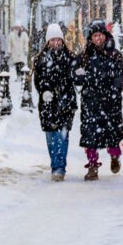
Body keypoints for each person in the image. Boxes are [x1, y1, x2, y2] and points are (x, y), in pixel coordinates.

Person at [74, 21, 123, 181]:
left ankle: (115, 157)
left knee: (112, 133)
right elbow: (75, 72)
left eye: (100, 35)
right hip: (91, 100)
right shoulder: (85, 55)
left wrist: (116, 90)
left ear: (105, 35)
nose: (97, 38)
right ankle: (92, 165)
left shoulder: (114, 54)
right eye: (95, 36)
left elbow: (120, 74)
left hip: (110, 100)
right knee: (90, 135)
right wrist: (80, 77)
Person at [33, 24, 78, 181]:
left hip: (66, 102)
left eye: (58, 39)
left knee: (62, 136)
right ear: (48, 41)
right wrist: (44, 90)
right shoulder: (41, 59)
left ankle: (59, 168)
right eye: (52, 40)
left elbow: (76, 75)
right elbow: (38, 80)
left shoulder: (70, 57)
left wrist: (79, 74)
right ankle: (55, 164)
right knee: (52, 137)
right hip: (48, 103)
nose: (56, 43)